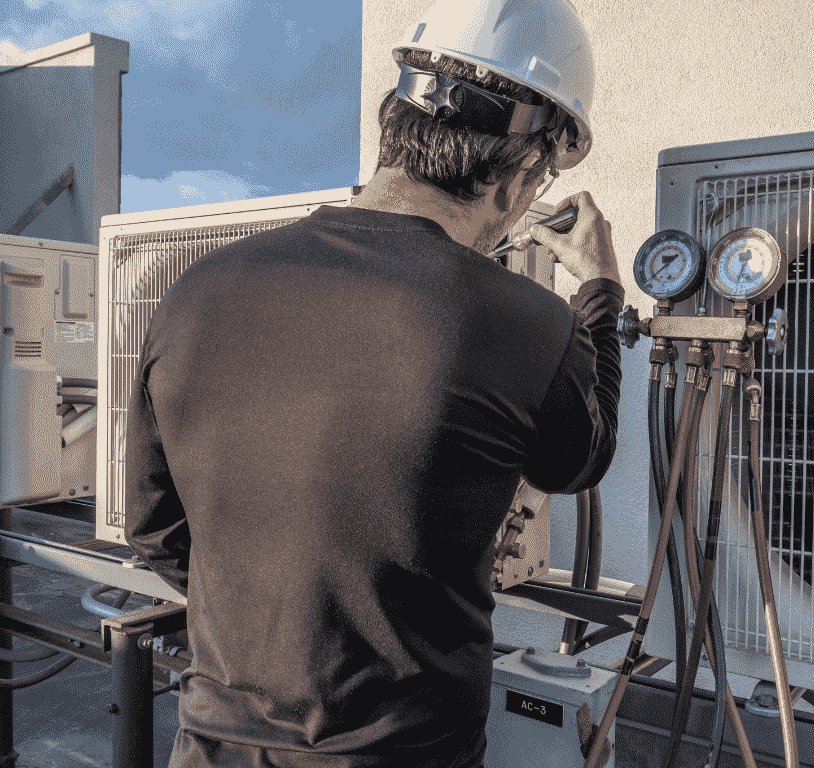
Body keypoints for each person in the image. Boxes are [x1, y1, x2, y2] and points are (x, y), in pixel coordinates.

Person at [124, 1, 623, 765]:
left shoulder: (200, 288)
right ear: (523, 171)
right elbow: (577, 460)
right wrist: (598, 294)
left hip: (214, 745)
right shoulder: (526, 321)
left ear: (396, 123)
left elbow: (157, 535)